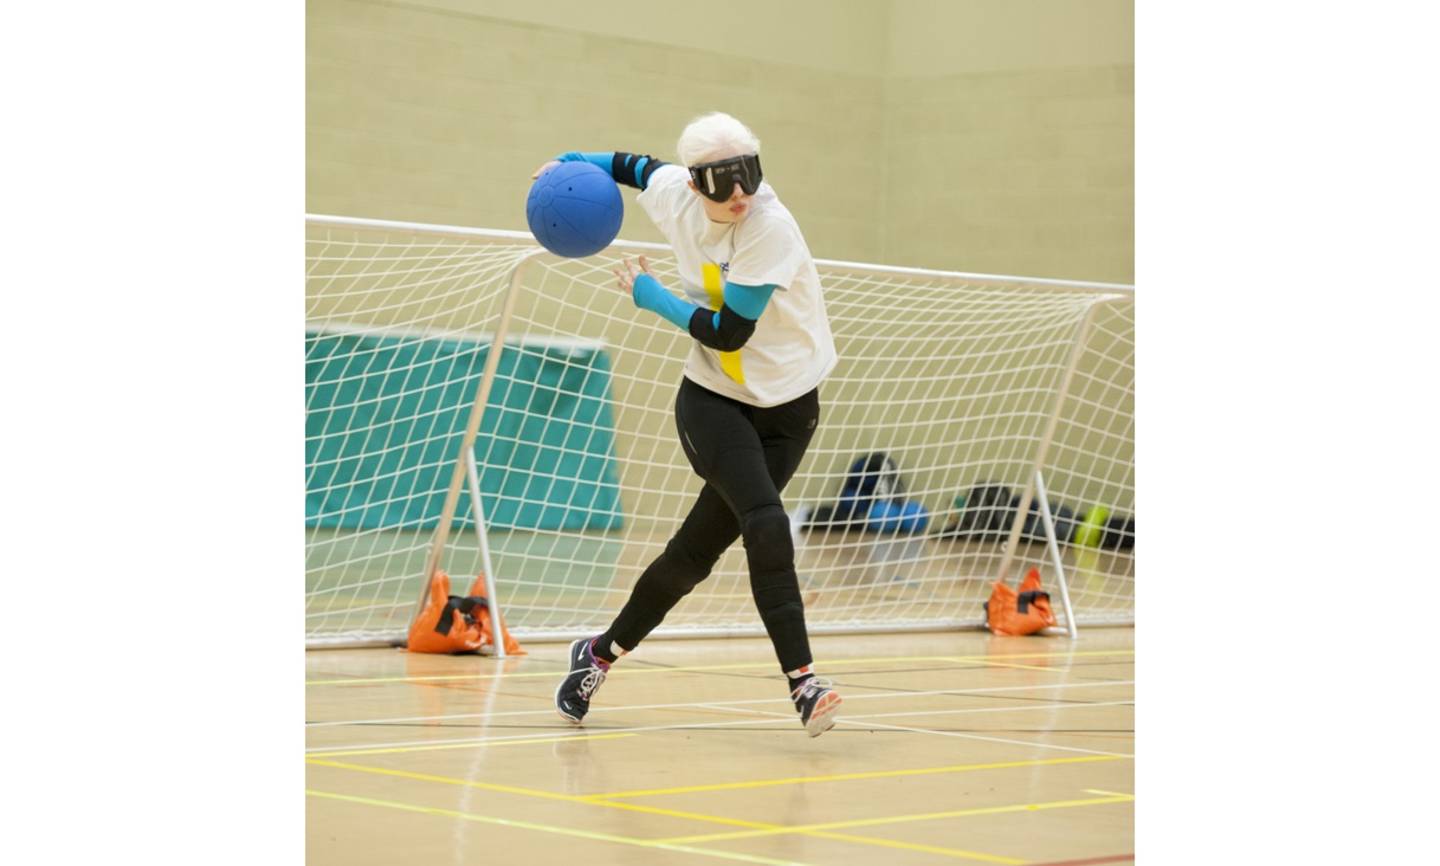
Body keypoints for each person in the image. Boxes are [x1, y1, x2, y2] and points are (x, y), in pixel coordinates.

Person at [538, 112, 841, 737]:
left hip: (790, 407)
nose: (739, 194)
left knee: (694, 555)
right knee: (763, 519)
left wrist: (655, 299)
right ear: (696, 181)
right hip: (714, 397)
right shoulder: (676, 192)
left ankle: (597, 655)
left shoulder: (769, 228)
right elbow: (631, 166)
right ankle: (804, 684)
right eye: (723, 181)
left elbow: (730, 329)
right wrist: (569, 162)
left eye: (749, 175)